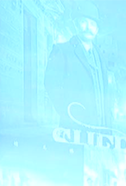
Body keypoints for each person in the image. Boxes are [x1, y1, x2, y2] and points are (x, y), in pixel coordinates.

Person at [43, 0, 111, 129]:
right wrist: (68, 113)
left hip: (100, 129)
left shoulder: (101, 59)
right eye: (83, 22)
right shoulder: (62, 51)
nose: (88, 27)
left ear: (97, 29)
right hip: (74, 128)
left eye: (93, 24)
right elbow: (50, 83)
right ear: (75, 24)